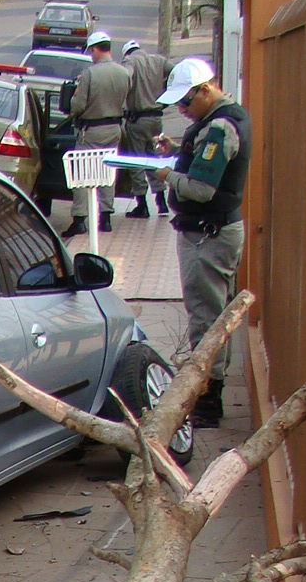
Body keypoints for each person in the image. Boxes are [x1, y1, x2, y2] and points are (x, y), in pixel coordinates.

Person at [155, 56, 250, 429]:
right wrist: (178, 150)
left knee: (207, 319)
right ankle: (207, 388)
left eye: (186, 101)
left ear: (206, 90)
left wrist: (167, 175)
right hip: (210, 232)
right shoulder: (225, 120)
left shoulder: (221, 127)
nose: (182, 109)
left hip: (208, 236)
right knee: (210, 312)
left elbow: (201, 187)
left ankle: (207, 398)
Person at [63, 30, 130, 238]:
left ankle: (80, 218)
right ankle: (106, 216)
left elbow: (78, 106)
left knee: (82, 173)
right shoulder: (124, 73)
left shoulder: (90, 74)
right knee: (107, 172)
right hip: (114, 129)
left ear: (94, 49)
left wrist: (73, 98)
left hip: (91, 130)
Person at [117, 38, 171, 217]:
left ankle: (142, 205)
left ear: (126, 53)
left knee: (136, 161)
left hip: (138, 120)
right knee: (153, 158)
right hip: (156, 118)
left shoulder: (130, 61)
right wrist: (167, 95)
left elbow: (125, 75)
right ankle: (161, 202)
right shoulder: (158, 60)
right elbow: (176, 72)